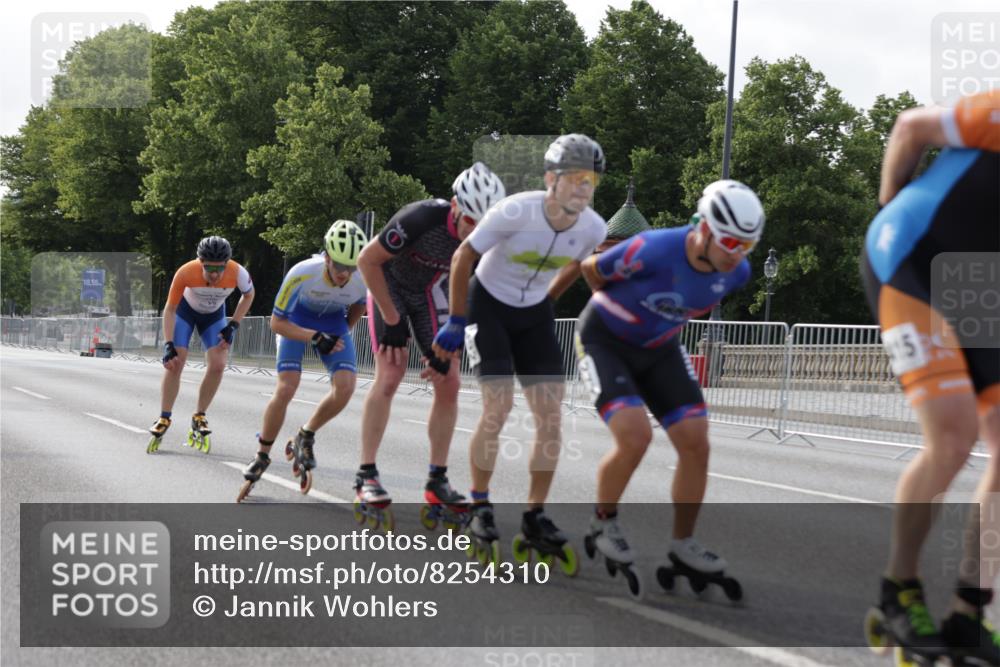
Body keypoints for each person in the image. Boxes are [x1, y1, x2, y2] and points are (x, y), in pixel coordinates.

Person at [860, 89, 999, 663]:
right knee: (952, 437)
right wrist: (888, 209)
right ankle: (899, 590)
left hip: (978, 287)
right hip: (910, 258)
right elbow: (909, 128)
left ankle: (970, 610)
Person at [432, 134, 608, 567]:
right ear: (551, 179)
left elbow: (579, 263)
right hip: (487, 306)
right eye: (575, 179)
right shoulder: (517, 210)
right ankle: (480, 505)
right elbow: (462, 257)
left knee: (550, 415)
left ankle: (534, 514)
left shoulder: (594, 227)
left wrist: (549, 298)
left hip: (532, 314)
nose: (584, 188)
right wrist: (456, 319)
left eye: (592, 181)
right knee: (499, 406)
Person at [577, 179, 761, 577]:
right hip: (606, 341)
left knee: (696, 443)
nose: (738, 255)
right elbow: (591, 269)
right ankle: (603, 520)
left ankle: (683, 544)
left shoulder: (738, 273)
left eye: (747, 246)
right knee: (635, 437)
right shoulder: (655, 247)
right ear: (705, 229)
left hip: (658, 350)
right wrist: (616, 308)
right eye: (731, 243)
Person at [354, 163, 507, 515]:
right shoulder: (421, 218)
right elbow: (367, 261)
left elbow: (477, 285)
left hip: (429, 293)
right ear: (455, 205)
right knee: (390, 374)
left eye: (482, 224)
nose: (474, 230)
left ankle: (437, 478)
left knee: (449, 380)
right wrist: (391, 318)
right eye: (470, 220)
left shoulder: (488, 235)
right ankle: (366, 474)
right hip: (388, 285)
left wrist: (455, 332)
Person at [238, 220, 369, 501]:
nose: (345, 274)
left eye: (351, 267)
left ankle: (305, 435)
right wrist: (314, 336)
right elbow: (276, 323)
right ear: (326, 257)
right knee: (287, 388)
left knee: (346, 387)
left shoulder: (362, 278)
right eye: (339, 266)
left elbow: (360, 304)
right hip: (295, 323)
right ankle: (262, 455)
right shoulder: (302, 273)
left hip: (334, 324)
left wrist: (344, 329)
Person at [147, 236, 254, 453]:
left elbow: (249, 295)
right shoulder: (186, 272)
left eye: (219, 269)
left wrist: (234, 324)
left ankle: (199, 415)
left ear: (227, 263)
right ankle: (164, 417)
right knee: (177, 361)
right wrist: (168, 344)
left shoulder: (238, 272)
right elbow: (169, 309)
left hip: (213, 317)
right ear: (200, 262)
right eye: (208, 268)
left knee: (218, 364)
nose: (214, 274)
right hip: (185, 314)